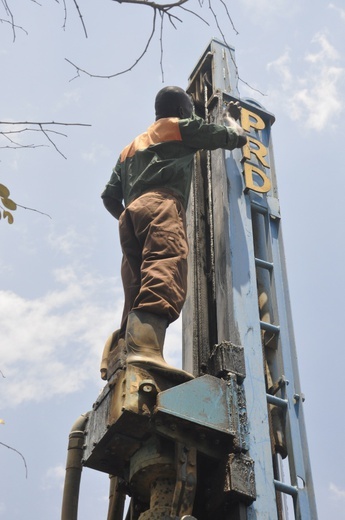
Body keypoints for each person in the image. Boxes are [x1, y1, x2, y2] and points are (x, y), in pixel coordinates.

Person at [101, 86, 247, 381]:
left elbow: (108, 197)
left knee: (136, 287)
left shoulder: (130, 147)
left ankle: (121, 362)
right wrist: (234, 124)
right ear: (182, 111)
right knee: (166, 266)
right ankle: (145, 351)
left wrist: (131, 216)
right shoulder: (179, 127)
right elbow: (227, 138)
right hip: (161, 205)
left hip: (130, 215)